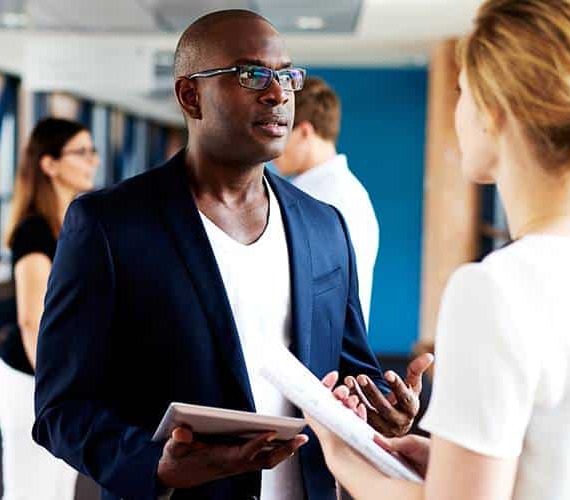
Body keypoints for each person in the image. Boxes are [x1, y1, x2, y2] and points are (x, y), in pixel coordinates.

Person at [32, 10, 432, 500]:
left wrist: (381, 408)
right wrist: (156, 466)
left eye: (287, 76)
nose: (278, 93)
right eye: (252, 75)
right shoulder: (109, 225)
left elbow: (350, 368)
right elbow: (61, 409)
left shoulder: (324, 226)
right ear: (190, 95)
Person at [305, 1, 570, 499]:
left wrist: (342, 454)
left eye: (462, 92)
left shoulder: (496, 289)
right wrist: (452, 463)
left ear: (494, 113)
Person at [0, 118, 99, 499]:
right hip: (30, 383)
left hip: (57, 381)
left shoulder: (70, 225)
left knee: (58, 491)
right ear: (49, 164)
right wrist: (57, 393)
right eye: (81, 152)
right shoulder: (34, 231)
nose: (93, 160)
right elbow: (31, 320)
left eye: (92, 151)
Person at [273, 78, 379, 326]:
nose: (274, 146)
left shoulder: (322, 201)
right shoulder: (351, 193)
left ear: (304, 132)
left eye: (280, 130)